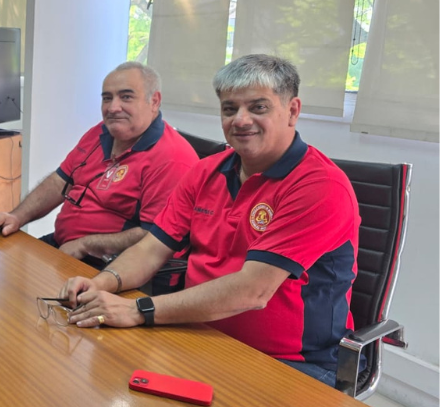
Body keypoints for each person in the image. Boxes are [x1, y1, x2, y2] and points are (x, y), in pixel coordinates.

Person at [60, 55, 360, 387]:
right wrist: (102, 283)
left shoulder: (320, 187)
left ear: (292, 111)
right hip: (197, 332)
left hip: (291, 362)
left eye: (258, 107)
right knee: (93, 376)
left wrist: (137, 310)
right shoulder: (205, 171)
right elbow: (150, 250)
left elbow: (253, 291)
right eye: (230, 109)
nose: (240, 120)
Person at [0, 62, 198, 266]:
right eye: (107, 98)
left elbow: (154, 236)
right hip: (67, 246)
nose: (113, 107)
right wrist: (16, 216)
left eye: (126, 97)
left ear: (154, 101)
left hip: (115, 264)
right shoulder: (100, 133)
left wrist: (85, 245)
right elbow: (59, 182)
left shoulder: (172, 158)